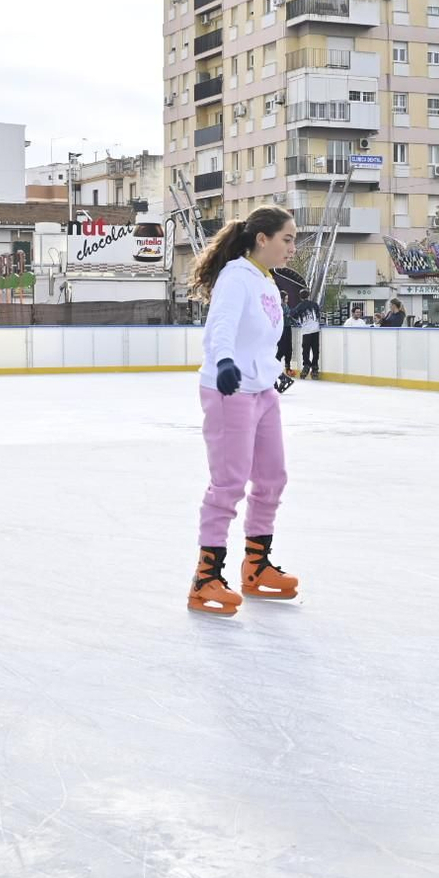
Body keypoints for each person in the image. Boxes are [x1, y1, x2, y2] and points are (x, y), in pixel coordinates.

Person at [187, 206, 301, 616]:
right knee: (229, 484)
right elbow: (220, 325)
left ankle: (256, 566)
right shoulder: (236, 276)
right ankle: (206, 578)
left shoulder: (268, 281)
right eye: (287, 239)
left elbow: (262, 338)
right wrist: (224, 362)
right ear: (262, 239)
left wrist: (271, 371)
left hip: (261, 390)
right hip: (228, 389)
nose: (292, 248)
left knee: (272, 479)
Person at [289, 289, 322, 379]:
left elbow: (291, 314)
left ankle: (306, 365)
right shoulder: (314, 305)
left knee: (306, 350)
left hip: (306, 331)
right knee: (315, 350)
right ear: (309, 295)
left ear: (300, 297)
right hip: (315, 330)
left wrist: (298, 321)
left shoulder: (299, 307)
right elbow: (319, 315)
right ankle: (314, 367)